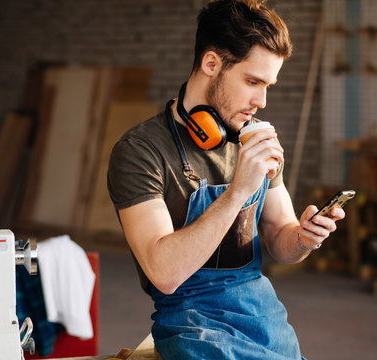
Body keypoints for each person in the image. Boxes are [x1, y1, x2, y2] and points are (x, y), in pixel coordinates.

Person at [107, 1, 345, 359]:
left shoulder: (257, 141)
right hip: (193, 325)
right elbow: (164, 273)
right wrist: (238, 192)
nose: (261, 101)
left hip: (264, 317)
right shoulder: (141, 151)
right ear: (211, 63)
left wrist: (303, 236)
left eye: (268, 85)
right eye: (252, 81)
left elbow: (281, 239)